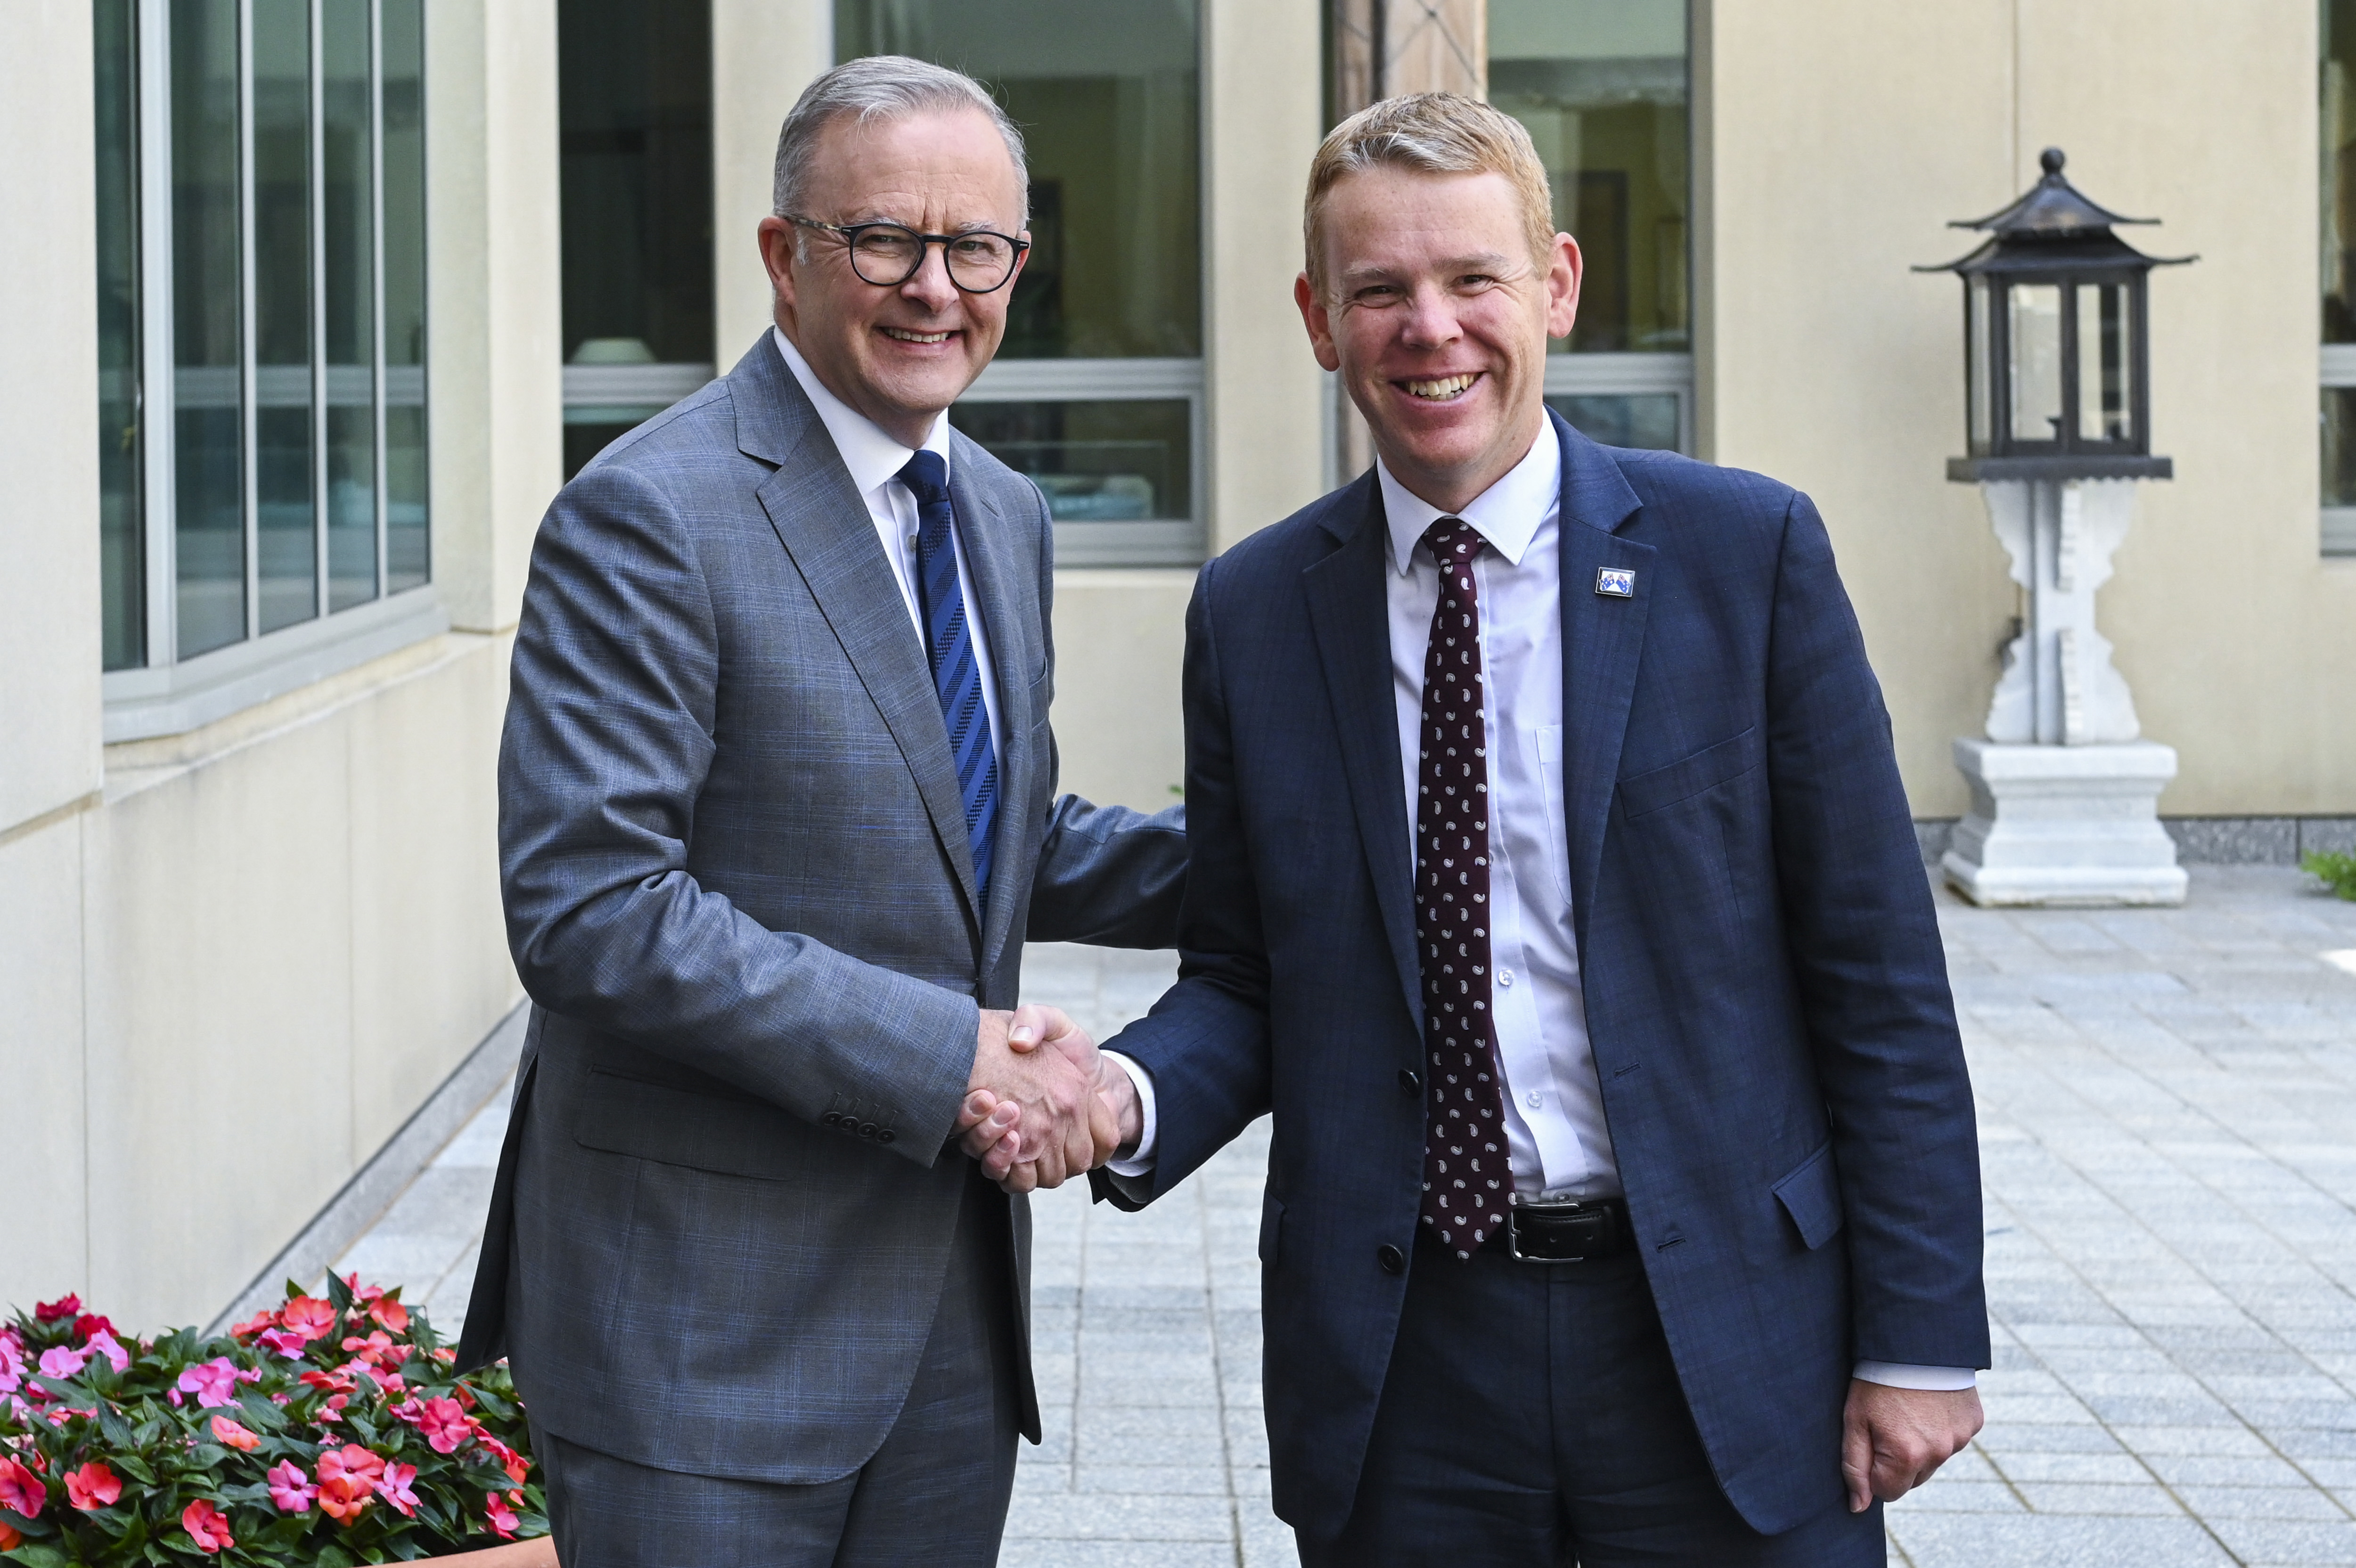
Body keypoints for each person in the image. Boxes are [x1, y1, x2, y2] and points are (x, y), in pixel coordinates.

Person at [984, 91, 1990, 1564]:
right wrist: (1122, 1095)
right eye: (1379, 289)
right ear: (1319, 320)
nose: (1429, 327)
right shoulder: (1260, 611)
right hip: (1408, 1362)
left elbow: (1879, 977)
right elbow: (1259, 974)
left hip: (1721, 1332)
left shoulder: (1745, 558)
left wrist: (1920, 1337)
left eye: (1472, 280)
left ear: (1558, 287)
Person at [455, 55, 1184, 1568]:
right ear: (785, 256)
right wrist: (953, 1053)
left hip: (943, 1333)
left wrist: (1317, 847)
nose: (937, 288)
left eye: (975, 247)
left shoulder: (995, 507)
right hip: (699, 1336)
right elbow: (594, 908)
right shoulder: (651, 512)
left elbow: (999, 835)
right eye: (885, 241)